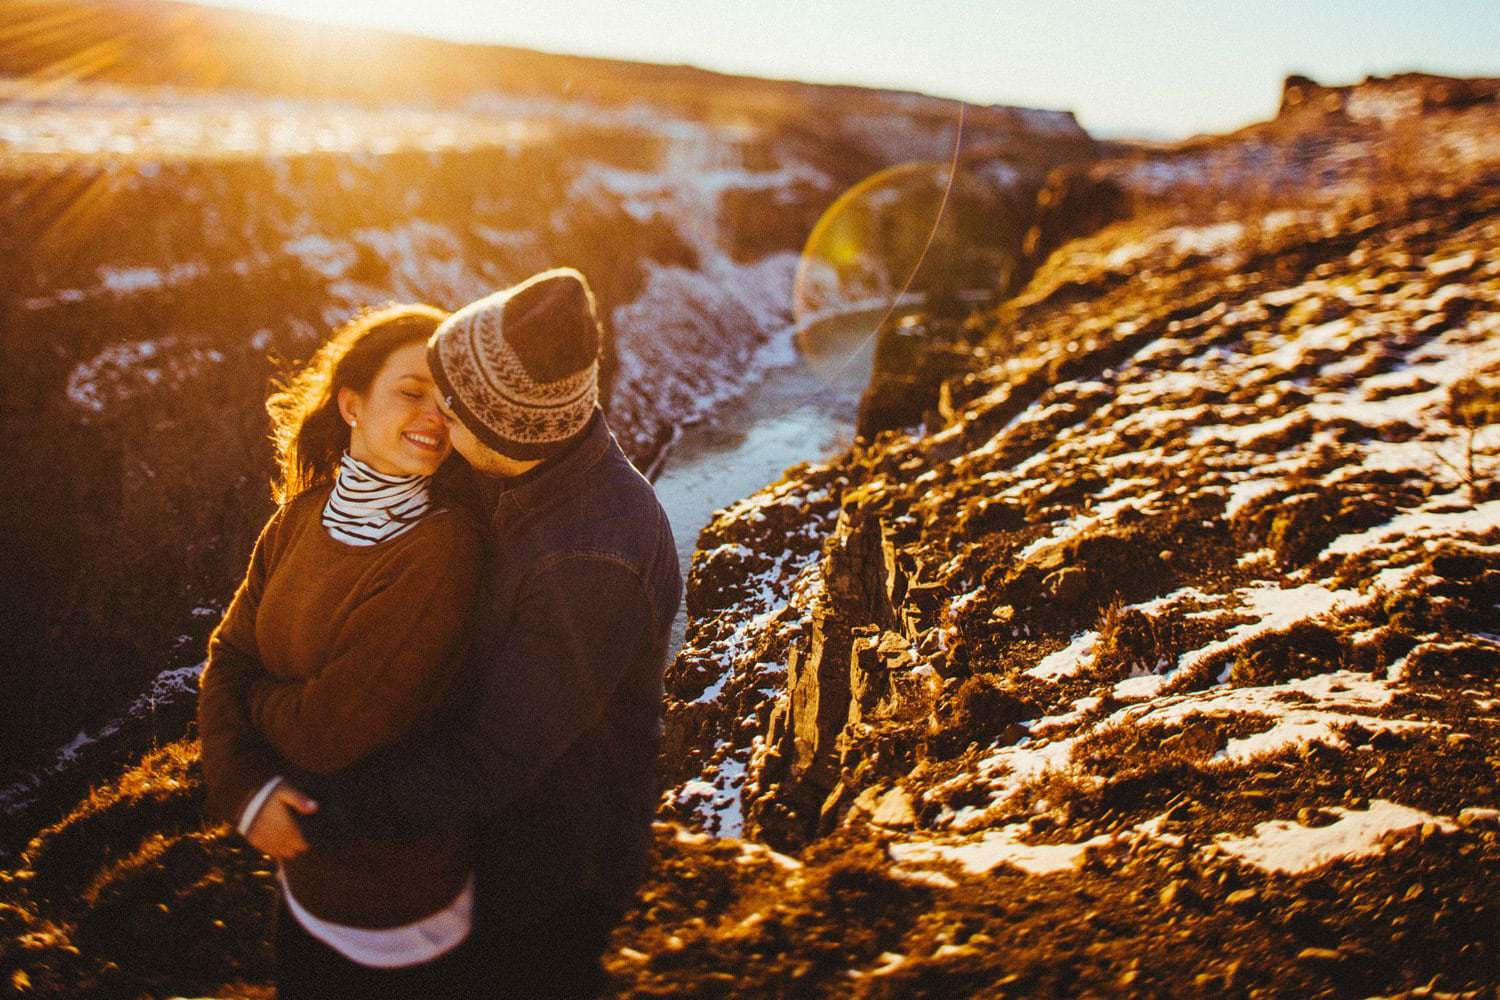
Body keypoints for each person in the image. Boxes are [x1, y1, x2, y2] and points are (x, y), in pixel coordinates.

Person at [283, 267, 683, 998]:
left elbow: (494, 756)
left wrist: (330, 808)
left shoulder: (591, 562)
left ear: (506, 431)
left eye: (453, 413)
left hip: (549, 859)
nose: (437, 423)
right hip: (484, 825)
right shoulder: (525, 465)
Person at [197, 304, 485, 999]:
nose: (432, 418)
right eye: (412, 392)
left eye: (448, 404)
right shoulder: (300, 516)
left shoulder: (441, 549)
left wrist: (257, 696)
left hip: (399, 914)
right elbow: (227, 652)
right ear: (352, 403)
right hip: (305, 890)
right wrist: (245, 788)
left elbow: (327, 734)